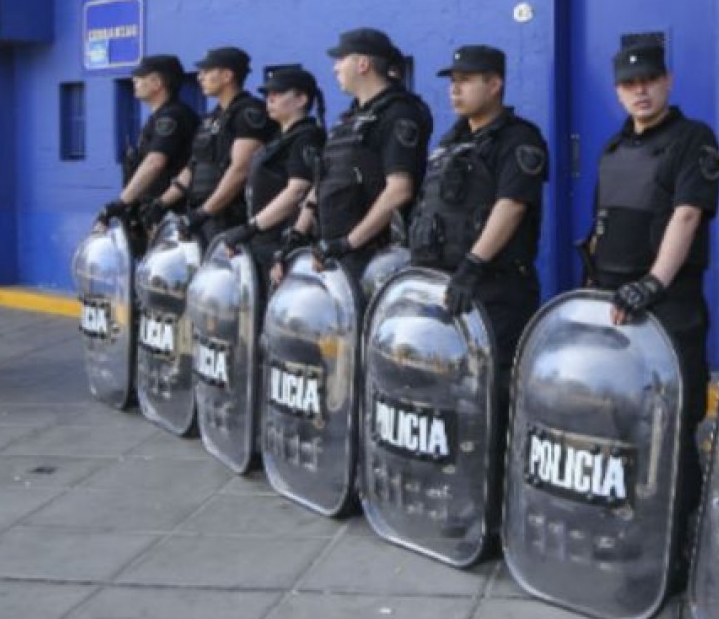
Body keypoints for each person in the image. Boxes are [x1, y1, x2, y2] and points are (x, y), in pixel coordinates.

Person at [585, 37, 719, 569]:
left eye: (649, 81)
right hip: (613, 304)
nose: (640, 92)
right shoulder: (614, 148)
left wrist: (653, 283)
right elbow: (600, 228)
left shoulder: (693, 140)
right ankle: (630, 525)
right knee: (620, 422)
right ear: (618, 91)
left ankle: (680, 544)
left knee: (674, 423)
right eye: (628, 84)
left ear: (667, 81)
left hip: (667, 305)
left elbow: (687, 215)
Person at [411, 44, 547, 381]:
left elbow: (512, 205)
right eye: (452, 81)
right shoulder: (451, 142)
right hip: (448, 286)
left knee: (491, 385)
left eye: (466, 80)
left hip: (494, 289)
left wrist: (473, 264)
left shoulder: (518, 138)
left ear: (495, 84)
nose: (454, 89)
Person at [278, 28, 431, 282]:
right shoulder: (348, 120)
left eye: (340, 60)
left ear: (363, 64)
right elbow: (323, 182)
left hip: (375, 260)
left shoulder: (398, 114)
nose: (334, 69)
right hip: (335, 252)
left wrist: (348, 243)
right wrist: (297, 234)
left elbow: (399, 190)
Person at [143, 47, 273, 244]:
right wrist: (161, 203)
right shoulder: (211, 117)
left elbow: (240, 169)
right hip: (201, 214)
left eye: (207, 71)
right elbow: (193, 166)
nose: (200, 77)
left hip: (231, 217)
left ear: (228, 75)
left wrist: (204, 212)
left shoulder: (248, 112)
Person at [214, 66, 325, 283]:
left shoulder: (306, 138)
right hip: (263, 241)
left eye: (278, 93)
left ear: (301, 99)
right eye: (267, 95)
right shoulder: (280, 137)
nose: (269, 99)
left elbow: (297, 191)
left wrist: (250, 228)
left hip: (282, 243)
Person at [96, 55, 199, 253]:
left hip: (172, 212)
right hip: (156, 212)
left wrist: (120, 203)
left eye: (141, 76)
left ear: (157, 83)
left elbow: (154, 162)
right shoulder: (159, 117)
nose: (135, 81)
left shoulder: (171, 117)